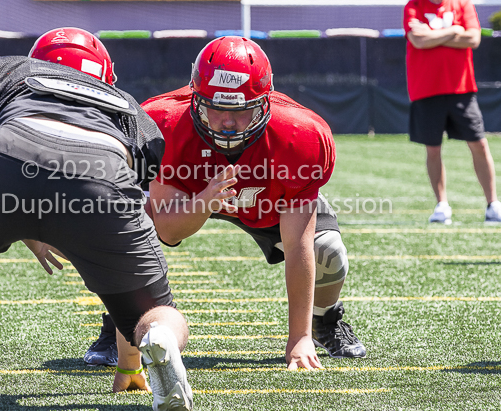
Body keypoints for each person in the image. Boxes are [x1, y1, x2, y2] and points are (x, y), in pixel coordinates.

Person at [0, 27, 193, 411]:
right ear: (103, 74)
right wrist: (129, 365)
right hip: (103, 171)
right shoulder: (130, 109)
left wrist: (20, 219)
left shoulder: (3, 70)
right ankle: (159, 339)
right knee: (154, 308)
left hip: (10, 154)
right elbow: (128, 209)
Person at [85, 36, 366, 370]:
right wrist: (206, 201)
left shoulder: (299, 135)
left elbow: (297, 244)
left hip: (266, 199)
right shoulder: (164, 124)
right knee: (122, 232)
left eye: (241, 110)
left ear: (265, 103)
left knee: (329, 251)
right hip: (190, 191)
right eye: (216, 108)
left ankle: (323, 320)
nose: (228, 122)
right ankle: (120, 325)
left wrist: (298, 338)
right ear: (195, 99)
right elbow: (168, 231)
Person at [404, 0, 501, 225]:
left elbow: (473, 38)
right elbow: (418, 40)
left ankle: (493, 204)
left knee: (479, 144)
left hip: (461, 89)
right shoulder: (413, 6)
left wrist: (434, 35)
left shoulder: (463, 2)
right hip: (425, 90)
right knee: (433, 149)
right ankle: (441, 206)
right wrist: (453, 32)